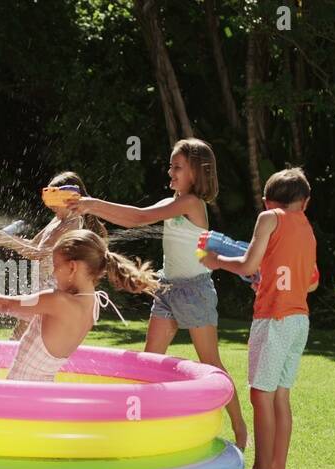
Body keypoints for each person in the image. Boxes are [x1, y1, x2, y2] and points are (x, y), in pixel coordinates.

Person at [68, 138, 248, 448]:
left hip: (195, 291)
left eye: (177, 167)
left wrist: (90, 204)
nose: (170, 171)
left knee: (212, 363)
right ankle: (138, 428)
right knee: (149, 362)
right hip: (168, 288)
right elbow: (135, 217)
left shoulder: (192, 204)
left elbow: (139, 218)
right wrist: (88, 206)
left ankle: (241, 428)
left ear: (196, 172)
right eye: (170, 165)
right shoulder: (173, 200)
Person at [200, 167, 319, 469]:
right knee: (280, 395)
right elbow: (310, 284)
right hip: (298, 320)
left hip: (273, 320)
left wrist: (217, 262)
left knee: (260, 395)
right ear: (305, 203)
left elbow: (249, 264)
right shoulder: (307, 229)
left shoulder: (269, 218)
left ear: (267, 202)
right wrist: (267, 281)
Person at [0, 229, 158, 382]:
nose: (54, 273)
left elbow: (6, 306)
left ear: (73, 267)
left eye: (56, 266)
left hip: (19, 393)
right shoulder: (92, 305)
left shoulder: (59, 301)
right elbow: (29, 314)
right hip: (42, 389)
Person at [0, 171, 107, 340]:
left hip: (52, 291)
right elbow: (34, 245)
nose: (50, 206)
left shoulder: (73, 223)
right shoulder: (57, 220)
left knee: (24, 339)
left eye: (53, 200)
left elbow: (39, 254)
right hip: (41, 287)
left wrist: (9, 242)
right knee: (20, 337)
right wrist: (10, 239)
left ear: (69, 198)